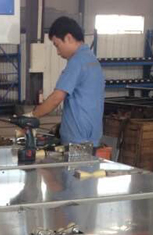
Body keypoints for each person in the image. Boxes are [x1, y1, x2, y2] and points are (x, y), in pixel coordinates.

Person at [32, 16, 105, 145]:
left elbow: (56, 98)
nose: (57, 52)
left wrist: (32, 116)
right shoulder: (91, 59)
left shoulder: (77, 62)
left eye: (57, 45)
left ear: (69, 38)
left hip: (77, 140)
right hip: (92, 136)